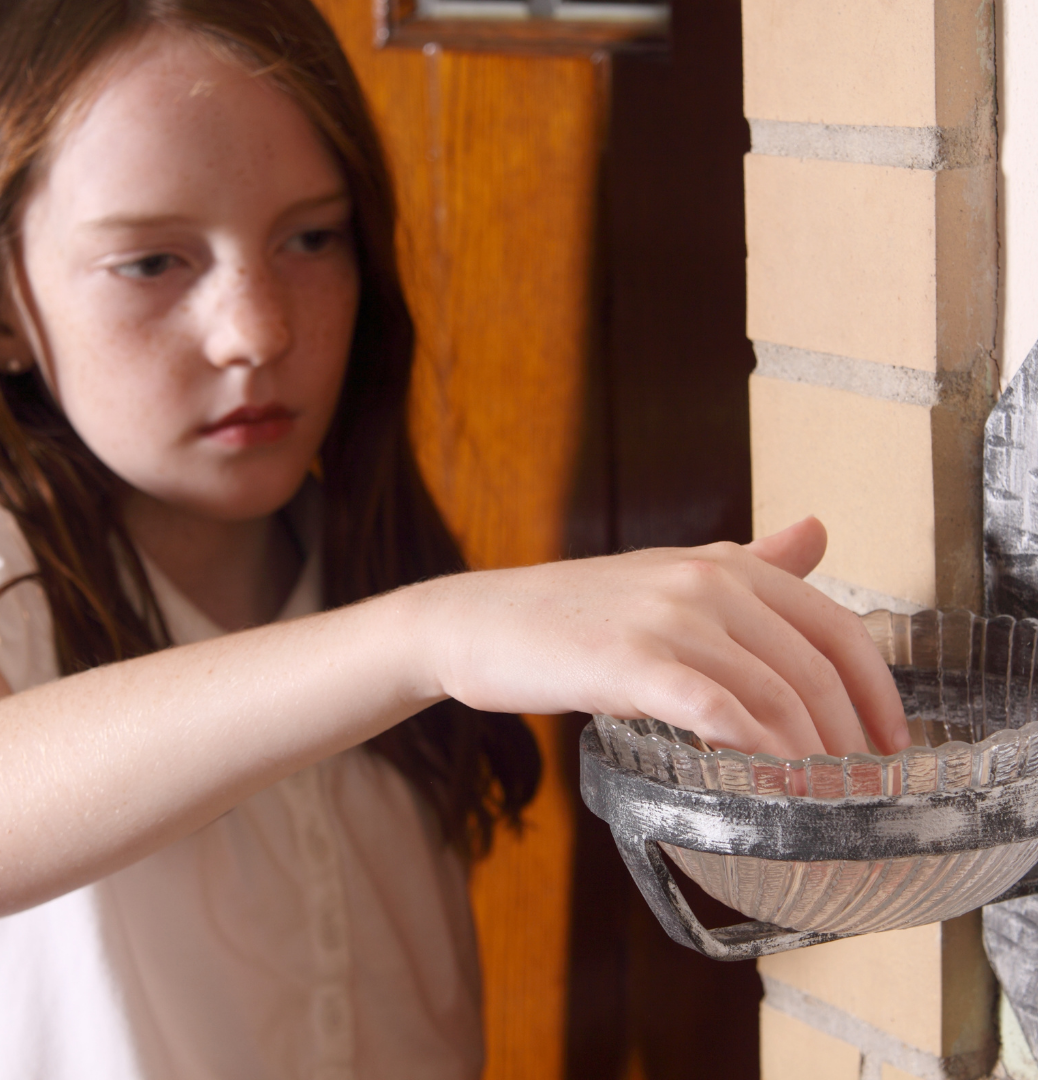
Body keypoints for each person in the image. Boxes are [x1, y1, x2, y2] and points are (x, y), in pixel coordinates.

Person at [0, 0, 908, 1076]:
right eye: (152, 262)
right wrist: (426, 636)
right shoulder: (23, 576)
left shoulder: (365, 553)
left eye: (311, 237)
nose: (259, 330)